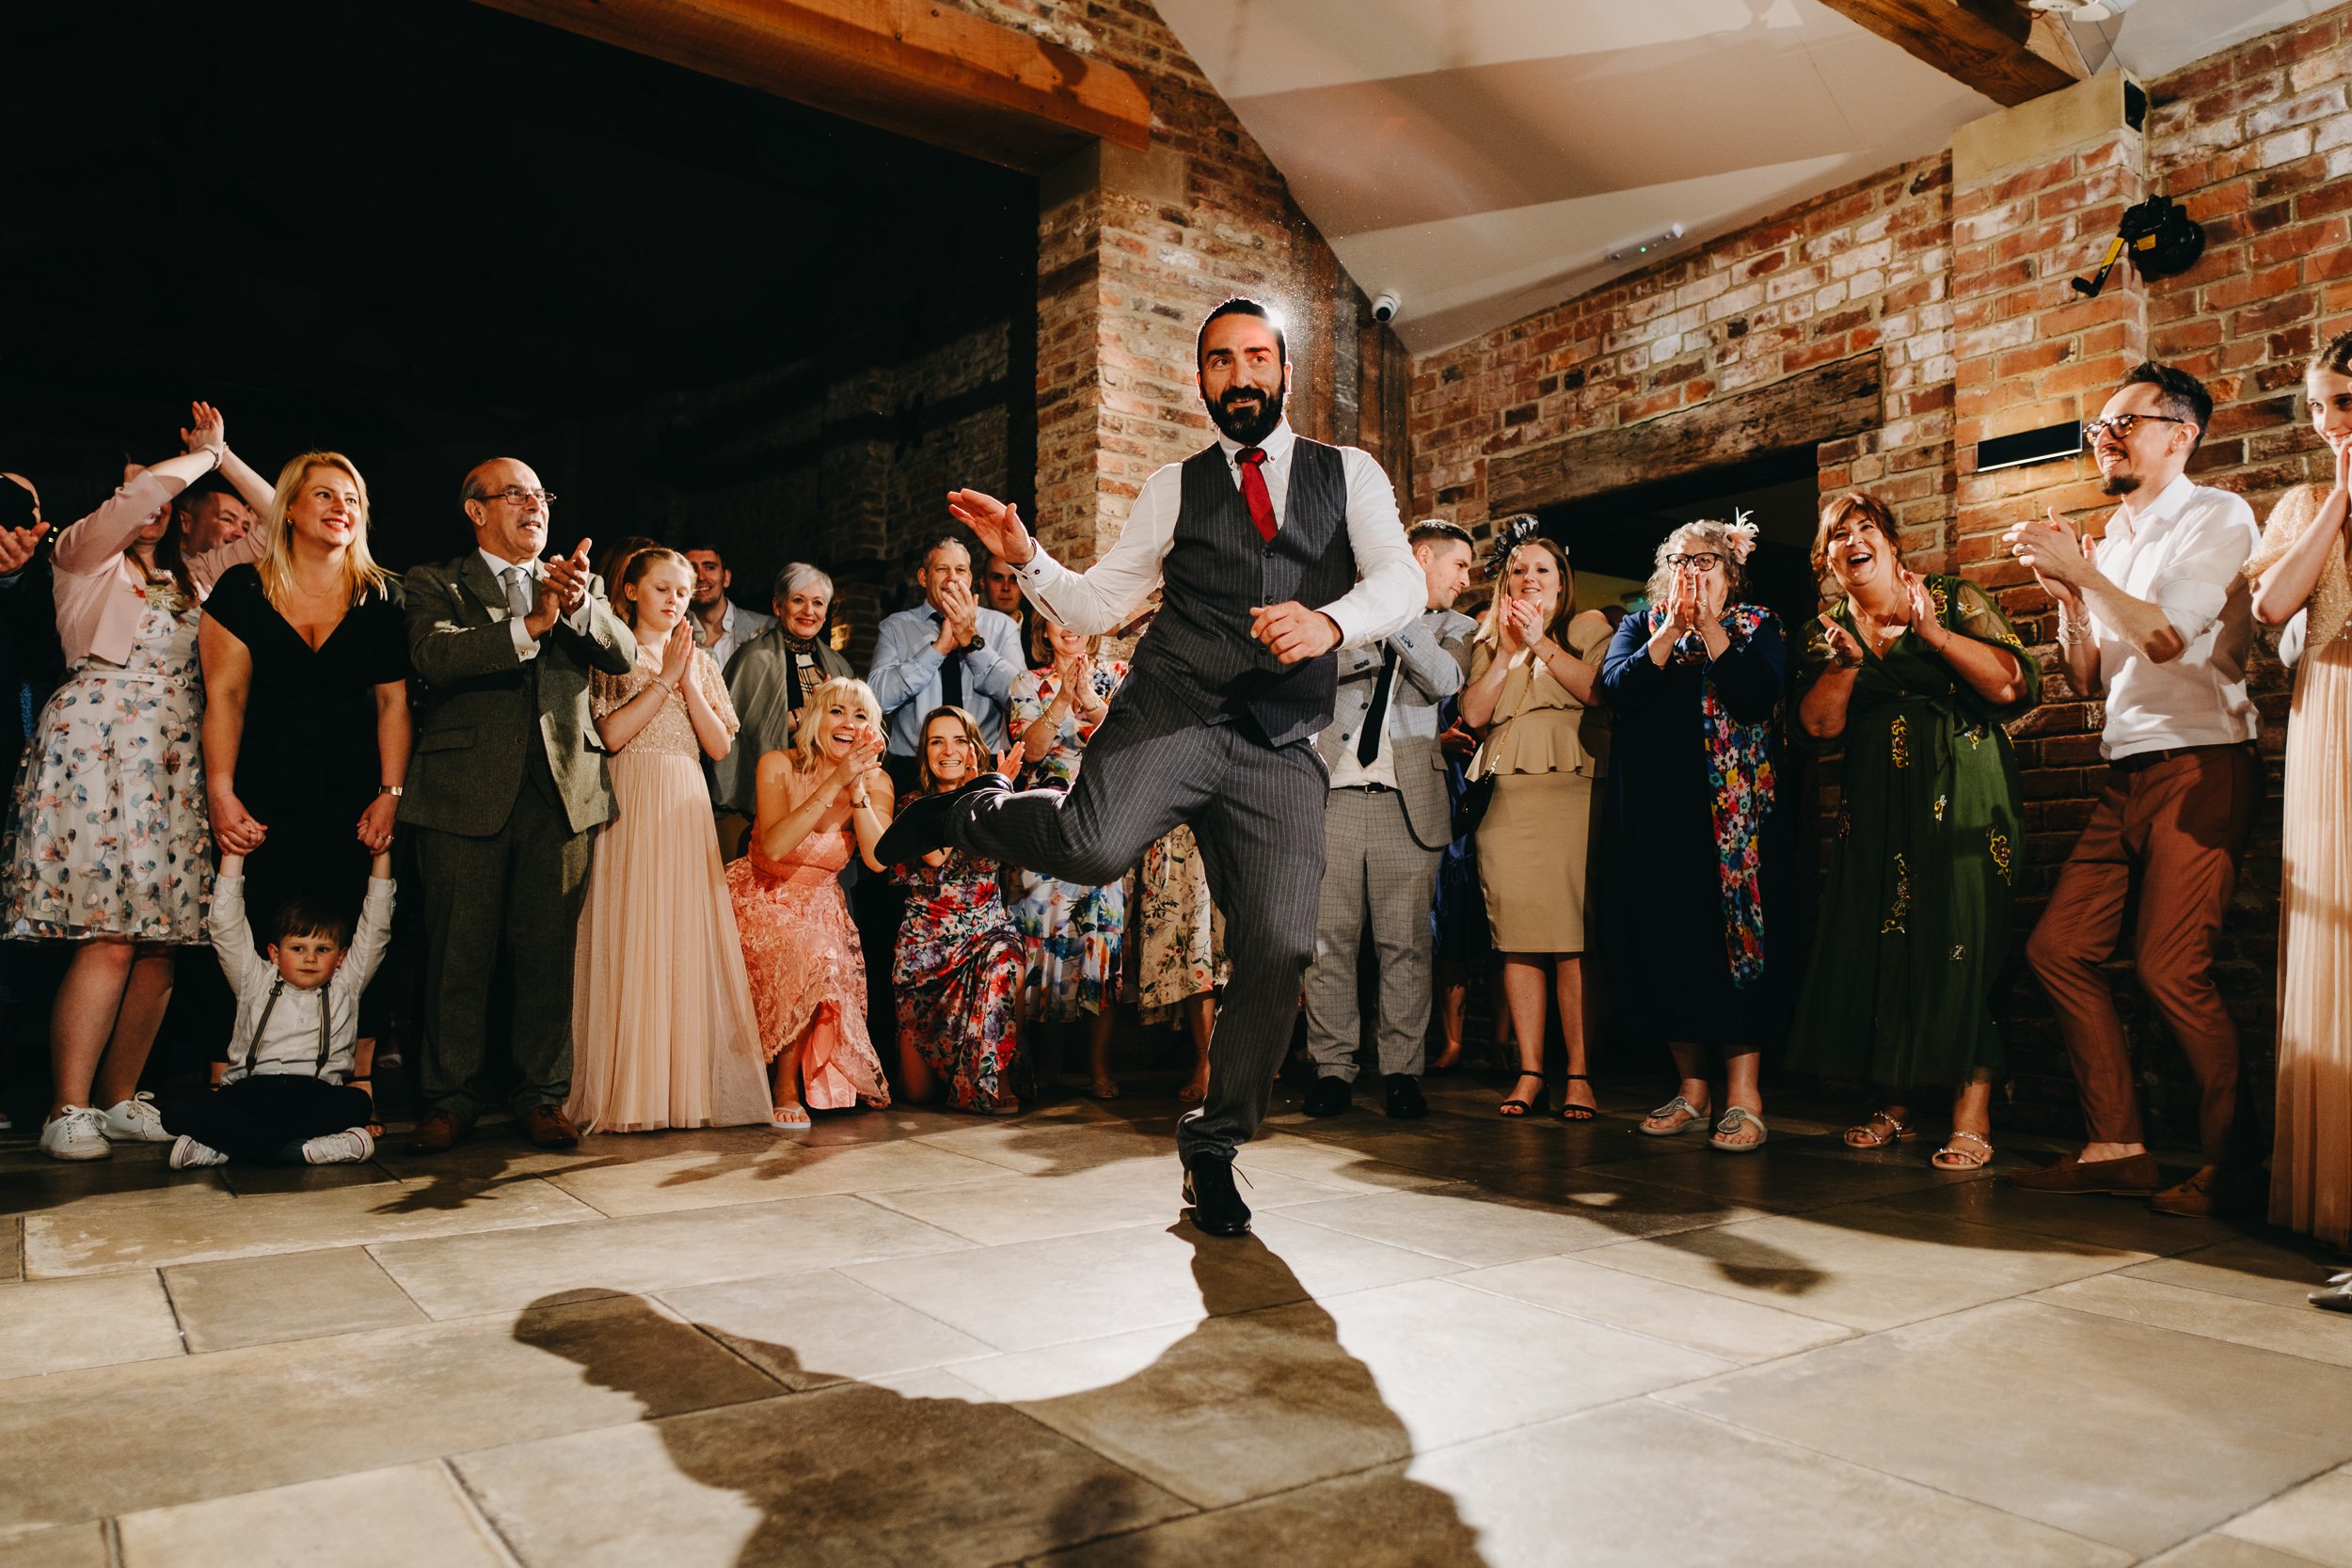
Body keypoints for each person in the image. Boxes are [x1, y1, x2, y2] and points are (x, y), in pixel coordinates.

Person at [878, 296, 1424, 1236]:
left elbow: (1403, 581)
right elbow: (1095, 605)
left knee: (1282, 944)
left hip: (1278, 743)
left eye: (1256, 357)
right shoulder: (1176, 484)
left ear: (1284, 371)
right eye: (1220, 361)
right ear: (1201, 377)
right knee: (1090, 846)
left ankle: (1212, 1145)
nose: (1239, 375)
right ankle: (969, 811)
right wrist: (1030, 558)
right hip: (1173, 710)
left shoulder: (1351, 474)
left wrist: (1330, 622)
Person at [2004, 362, 2265, 1216]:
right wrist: (2067, 596)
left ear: (2181, 433)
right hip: (2126, 773)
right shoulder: (2109, 539)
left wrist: (2084, 578)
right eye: (2097, 428)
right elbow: (2088, 676)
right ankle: (2117, 1145)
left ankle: (2235, 1165)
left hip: (2203, 764)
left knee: (2167, 969)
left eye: (2124, 424)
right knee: (2057, 947)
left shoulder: (2217, 515)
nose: (2103, 439)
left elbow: (2161, 637)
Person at [5, 404, 277, 1160]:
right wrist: (185, 463)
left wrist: (223, 457)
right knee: (110, 937)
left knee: (163, 942)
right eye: (140, 490)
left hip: (174, 755)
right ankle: (68, 1105)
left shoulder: (198, 575)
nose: (156, 502)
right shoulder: (79, 552)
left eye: (165, 491)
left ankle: (122, 1097)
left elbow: (281, 522)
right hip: (99, 745)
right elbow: (132, 502)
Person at [1787, 493, 2037, 1169]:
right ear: (1827, 561)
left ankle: (1971, 1109)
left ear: (1894, 546)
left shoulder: (1952, 598)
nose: (1854, 541)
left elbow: (2011, 685)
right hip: (1876, 800)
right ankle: (1894, 1100)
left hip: (1964, 788)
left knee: (1964, 935)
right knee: (1884, 937)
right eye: (1839, 535)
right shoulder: (1826, 629)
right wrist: (1843, 667)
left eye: (1867, 529)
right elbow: (1816, 730)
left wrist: (1934, 636)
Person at [398, 458, 636, 1153]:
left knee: (547, 953)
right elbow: (433, 657)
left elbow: (621, 655)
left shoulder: (574, 582)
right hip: (461, 793)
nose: (535, 506)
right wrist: (533, 623)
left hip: (562, 793)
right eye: (516, 495)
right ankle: (448, 1098)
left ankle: (541, 1097)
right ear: (476, 510)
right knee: (457, 954)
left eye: (542, 496)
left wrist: (580, 604)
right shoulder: (435, 581)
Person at [1601, 517, 1790, 1153]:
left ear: (1729, 571)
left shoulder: (1758, 624)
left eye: (1706, 561)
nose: (1692, 572)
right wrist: (1671, 632)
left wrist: (1709, 628)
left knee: (1734, 952)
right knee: (1670, 944)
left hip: (1734, 827)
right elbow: (1616, 689)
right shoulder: (1642, 624)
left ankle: (1745, 1096)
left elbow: (1757, 696)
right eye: (1681, 562)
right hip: (1660, 817)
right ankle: (1692, 1089)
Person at [567, 547, 771, 1133]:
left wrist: (688, 680)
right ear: (630, 591)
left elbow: (719, 747)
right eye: (662, 589)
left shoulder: (701, 661)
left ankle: (682, 1089)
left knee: (681, 935)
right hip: (631, 797)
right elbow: (608, 735)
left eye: (682, 592)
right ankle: (630, 1092)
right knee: (634, 930)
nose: (675, 600)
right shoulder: (612, 653)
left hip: (685, 801)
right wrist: (661, 679)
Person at [199, 451, 410, 955]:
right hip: (263, 796)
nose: (342, 506)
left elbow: (393, 705)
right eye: (325, 494)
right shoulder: (241, 590)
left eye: (352, 499)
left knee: (353, 947)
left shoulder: (384, 597)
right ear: (288, 508)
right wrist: (221, 793)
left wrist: (391, 794)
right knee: (256, 943)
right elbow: (225, 699)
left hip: (355, 802)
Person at [1301, 518, 1475, 1120]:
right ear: (1423, 556)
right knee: (1329, 946)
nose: (1466, 579)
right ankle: (1331, 1069)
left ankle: (1402, 1072)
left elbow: (1444, 679)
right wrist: (1365, 615)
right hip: (1336, 798)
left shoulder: (1459, 627)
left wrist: (1396, 610)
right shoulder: (1347, 610)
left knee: (1406, 947)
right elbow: (1319, 673)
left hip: (1409, 807)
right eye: (1459, 566)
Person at [2247, 330, 2352, 1274]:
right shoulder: (2305, 502)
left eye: (2345, 403)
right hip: (2331, 725)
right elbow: (2273, 606)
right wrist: (2345, 497)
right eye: (2318, 406)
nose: (2328, 424)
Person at [1460, 523, 1613, 1122]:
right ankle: (1530, 1071)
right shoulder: (1488, 636)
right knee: (1516, 935)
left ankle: (1578, 1072)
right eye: (1519, 570)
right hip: (1508, 800)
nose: (1529, 578)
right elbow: (1474, 712)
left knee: (1573, 937)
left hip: (1571, 791)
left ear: (1561, 581)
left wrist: (1542, 641)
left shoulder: (1588, 626)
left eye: (1542, 570)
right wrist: (1507, 651)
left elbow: (1599, 692)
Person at [726, 676, 895, 1128]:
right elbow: (777, 847)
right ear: (817, 717)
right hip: (757, 895)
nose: (848, 723)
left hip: (820, 904)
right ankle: (772, 1083)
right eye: (837, 711)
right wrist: (833, 781)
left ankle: (789, 1084)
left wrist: (855, 788)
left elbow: (879, 860)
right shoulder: (778, 765)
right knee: (806, 948)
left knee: (819, 950)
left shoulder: (877, 782)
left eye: (860, 715)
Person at [157, 847, 392, 1167]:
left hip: (312, 1095)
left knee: (355, 1104)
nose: (310, 958)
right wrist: (233, 855)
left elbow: (375, 929)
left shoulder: (344, 985)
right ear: (275, 953)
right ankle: (302, 1150)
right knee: (175, 1108)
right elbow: (226, 926)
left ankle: (223, 1148)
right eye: (298, 948)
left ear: (340, 957)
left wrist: (381, 857)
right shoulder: (255, 980)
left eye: (322, 949)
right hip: (249, 1093)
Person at [1005, 618, 1129, 1100]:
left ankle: (1098, 1065)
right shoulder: (1026, 683)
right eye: (1057, 619)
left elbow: (1124, 739)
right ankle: (1049, 1061)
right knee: (1045, 940)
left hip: (1103, 819)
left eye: (1077, 619)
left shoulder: (1118, 672)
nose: (1068, 628)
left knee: (1103, 938)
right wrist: (1060, 699)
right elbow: (1031, 751)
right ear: (1044, 630)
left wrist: (1091, 700)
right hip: (1045, 827)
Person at [892, 706, 1026, 1115]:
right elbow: (935, 857)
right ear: (925, 752)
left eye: (958, 740)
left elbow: (1020, 860)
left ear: (974, 748)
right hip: (925, 950)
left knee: (1005, 961)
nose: (947, 750)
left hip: (986, 934)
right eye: (937, 741)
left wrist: (996, 794)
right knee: (917, 1095)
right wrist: (967, 797)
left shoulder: (997, 803)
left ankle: (995, 1078)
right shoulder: (912, 805)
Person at [868, 533, 1024, 781]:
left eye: (960, 570)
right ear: (923, 577)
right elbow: (876, 699)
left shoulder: (1002, 626)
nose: (953, 578)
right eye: (942, 569)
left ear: (970, 577)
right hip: (913, 768)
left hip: (985, 764)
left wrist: (972, 641)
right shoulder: (895, 628)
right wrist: (937, 650)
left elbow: (1020, 698)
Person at [718, 562, 852, 822]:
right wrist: (807, 713)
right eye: (798, 600)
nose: (808, 611)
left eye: (818, 603)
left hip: (824, 788)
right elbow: (741, 732)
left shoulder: (838, 665)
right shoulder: (753, 658)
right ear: (778, 606)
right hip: (772, 788)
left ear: (826, 612)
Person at [1136, 828, 1222, 1101]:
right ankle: (1204, 1061)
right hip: (1180, 833)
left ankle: (1255, 1056)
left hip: (1234, 821)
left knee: (1244, 947)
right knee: (1193, 950)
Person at [684, 545, 776, 673]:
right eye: (691, 569)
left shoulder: (769, 628)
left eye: (710, 568)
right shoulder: (670, 634)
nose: (701, 577)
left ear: (726, 578)